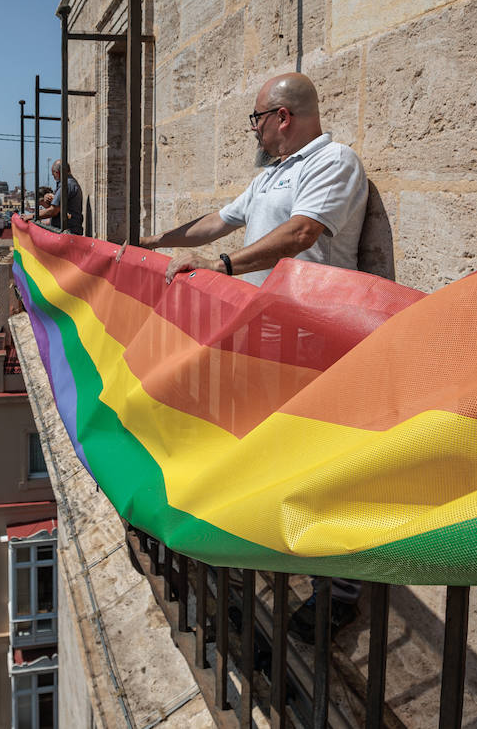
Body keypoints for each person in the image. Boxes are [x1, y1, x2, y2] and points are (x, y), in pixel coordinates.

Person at [116, 71, 368, 642]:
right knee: (261, 453)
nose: (252, 129)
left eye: (256, 118)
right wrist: (158, 243)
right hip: (268, 337)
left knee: (318, 462)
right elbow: (218, 222)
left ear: (283, 117)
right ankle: (261, 559)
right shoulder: (270, 175)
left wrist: (224, 267)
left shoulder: (335, 163)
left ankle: (341, 593)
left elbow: (303, 232)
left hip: (313, 336)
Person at [37, 160, 84, 234]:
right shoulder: (69, 184)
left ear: (57, 173)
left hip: (67, 233)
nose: (54, 178)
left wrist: (33, 216)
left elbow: (53, 211)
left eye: (53, 175)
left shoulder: (67, 185)